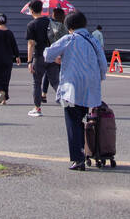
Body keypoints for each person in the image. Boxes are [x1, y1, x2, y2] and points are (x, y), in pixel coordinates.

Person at [45, 11, 109, 171]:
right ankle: (86, 151)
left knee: (72, 122)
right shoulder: (93, 40)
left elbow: (48, 54)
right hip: (91, 88)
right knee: (82, 118)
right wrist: (99, 78)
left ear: (69, 26)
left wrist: (58, 58)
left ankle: (78, 158)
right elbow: (103, 64)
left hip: (71, 89)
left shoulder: (69, 39)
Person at [25, 0, 53, 117]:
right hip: (52, 55)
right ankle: (67, 104)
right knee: (56, 82)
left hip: (39, 56)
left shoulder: (31, 25)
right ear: (42, 9)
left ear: (31, 11)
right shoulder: (50, 22)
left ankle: (37, 108)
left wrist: (29, 61)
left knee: (37, 83)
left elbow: (31, 44)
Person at [43, 7, 67, 103]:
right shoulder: (64, 26)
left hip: (52, 51)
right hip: (62, 52)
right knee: (61, 74)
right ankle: (63, 94)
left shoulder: (49, 25)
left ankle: (44, 94)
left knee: (48, 74)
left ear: (54, 15)